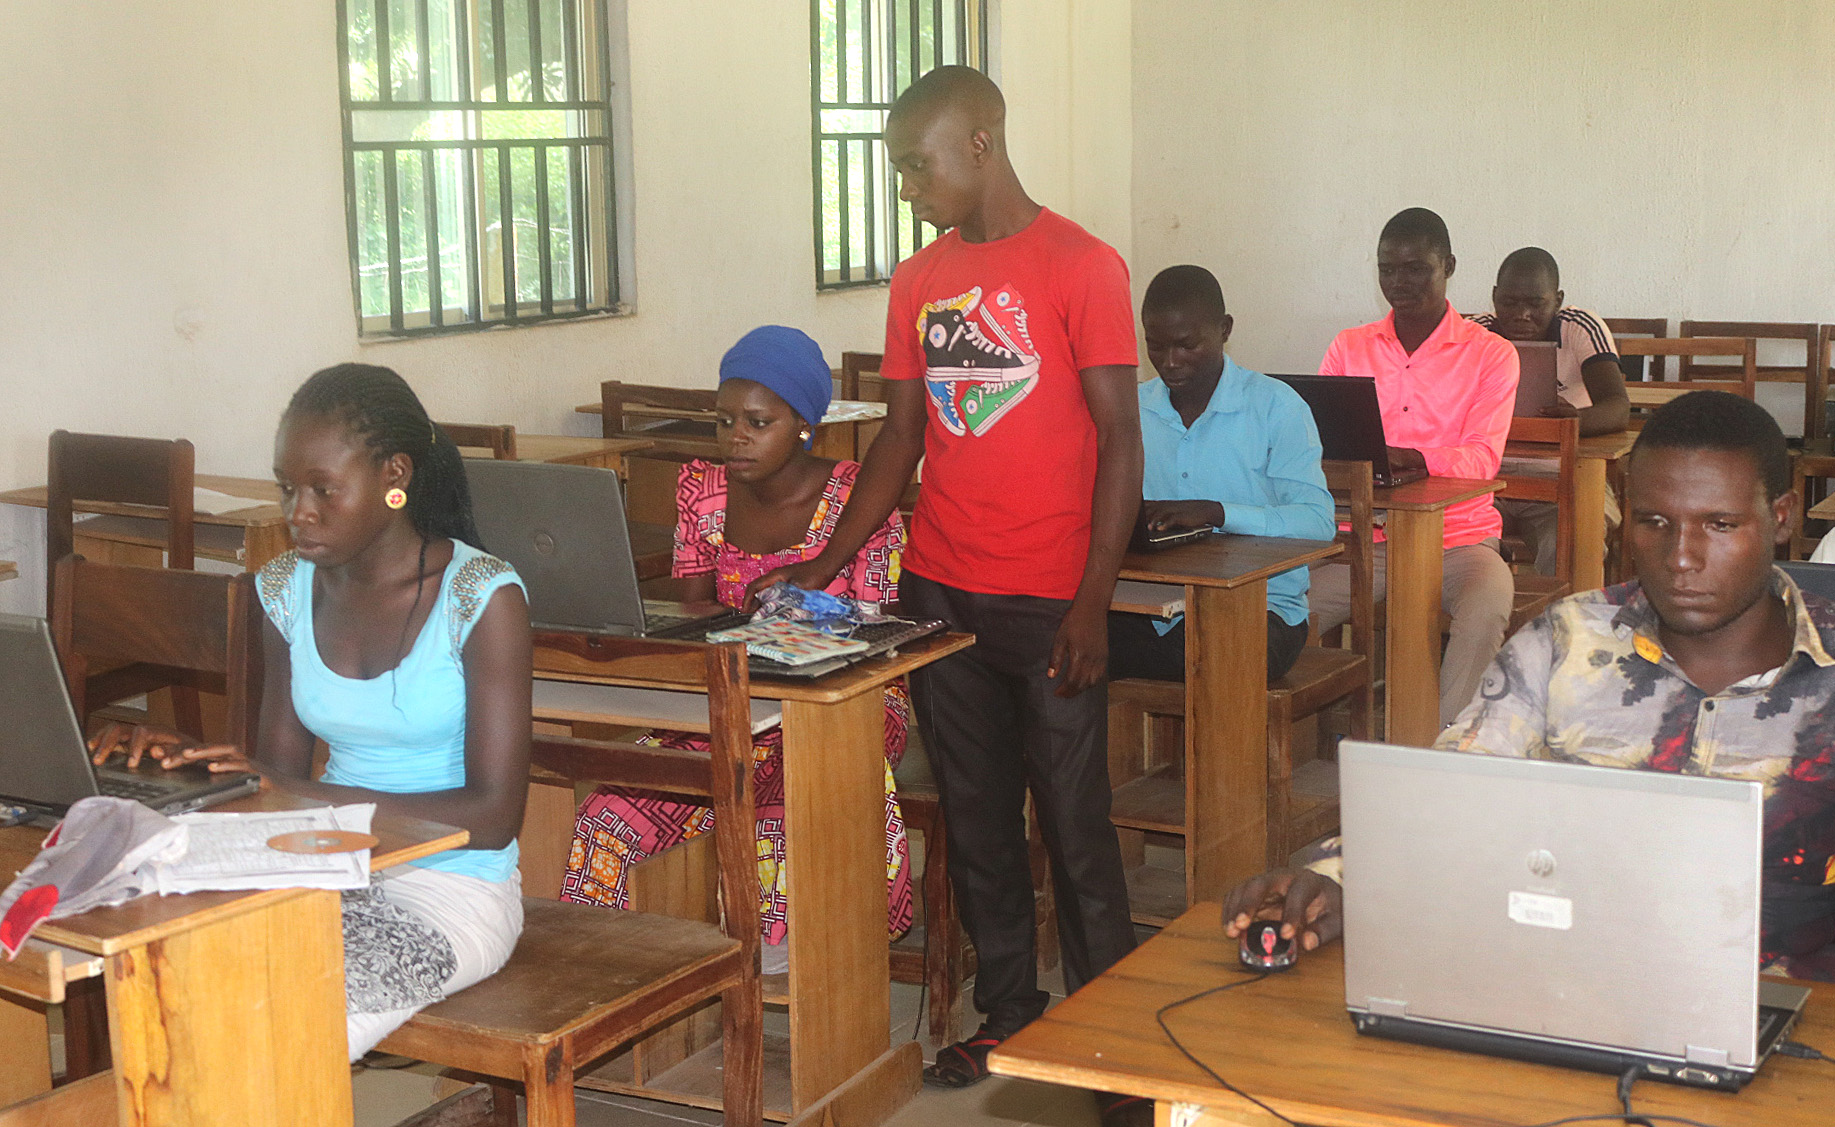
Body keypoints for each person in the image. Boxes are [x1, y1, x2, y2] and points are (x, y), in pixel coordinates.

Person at [748, 65, 1148, 1122]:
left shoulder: (1083, 265)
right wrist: (825, 563)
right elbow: (901, 437)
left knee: (1074, 824)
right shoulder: (920, 278)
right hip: (940, 591)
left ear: (980, 144)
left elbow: (1120, 438)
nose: (906, 186)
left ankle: (1109, 1041)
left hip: (1050, 597)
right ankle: (1009, 1008)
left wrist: (1090, 599)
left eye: (915, 164)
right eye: (896, 170)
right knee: (974, 822)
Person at [1223, 391, 1835, 987]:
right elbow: (1454, 793)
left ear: (1780, 519)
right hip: (1557, 987)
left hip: (1778, 1018)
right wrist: (1335, 878)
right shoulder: (1567, 642)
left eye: (1719, 525)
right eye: (1655, 522)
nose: (1681, 557)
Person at [90, 363, 534, 1059]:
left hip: (447, 893)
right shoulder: (286, 590)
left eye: (323, 490)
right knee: (170, 981)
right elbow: (271, 778)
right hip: (322, 869)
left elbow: (494, 816)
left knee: (286, 1024)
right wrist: (184, 754)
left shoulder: (480, 596)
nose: (298, 511)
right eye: (288, 488)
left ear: (396, 475)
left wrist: (294, 793)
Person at [557, 326, 914, 969]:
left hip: (842, 707)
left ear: (804, 425)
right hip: (727, 701)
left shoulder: (858, 501)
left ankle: (794, 968)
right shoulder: (704, 490)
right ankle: (603, 976)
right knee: (608, 808)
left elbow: (878, 638)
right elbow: (691, 606)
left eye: (758, 421)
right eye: (725, 422)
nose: (736, 437)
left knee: (775, 788)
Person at [1306, 207, 1519, 728]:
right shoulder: (1348, 346)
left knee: (1487, 608)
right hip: (1361, 540)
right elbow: (1318, 446)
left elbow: (1481, 460)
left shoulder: (1491, 354)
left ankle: (1442, 750)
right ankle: (1305, 739)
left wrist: (1416, 459)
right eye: (1387, 269)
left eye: (1416, 269)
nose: (1399, 282)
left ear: (1448, 265)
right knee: (1281, 606)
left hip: (1460, 542)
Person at [1110, 264, 1335, 684]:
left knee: (1216, 656)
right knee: (1061, 646)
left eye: (1186, 345)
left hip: (1263, 611)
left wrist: (1216, 512)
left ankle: (1217, 750)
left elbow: (1319, 523)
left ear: (1225, 329)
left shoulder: (1276, 407)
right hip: (1150, 605)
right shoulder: (1131, 409)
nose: (1169, 362)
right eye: (1155, 346)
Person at [1466, 246, 1631, 578]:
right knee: (1454, 545)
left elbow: (1617, 407)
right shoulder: (1475, 334)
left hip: (1565, 475)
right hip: (1489, 480)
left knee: (1571, 543)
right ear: (1495, 297)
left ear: (1557, 300)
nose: (1522, 315)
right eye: (1510, 303)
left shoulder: (1579, 327)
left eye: (1536, 304)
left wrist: (1573, 422)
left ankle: (1558, 624)